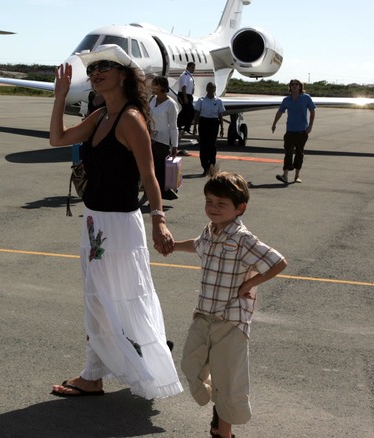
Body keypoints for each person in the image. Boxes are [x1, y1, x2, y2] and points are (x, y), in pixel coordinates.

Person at [48, 44, 182, 399]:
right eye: (92, 69)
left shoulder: (131, 118)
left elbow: (150, 176)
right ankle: (95, 372)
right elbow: (57, 138)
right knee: (97, 299)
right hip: (94, 222)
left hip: (120, 226)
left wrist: (159, 220)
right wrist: (60, 96)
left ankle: (140, 357)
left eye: (104, 67)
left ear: (123, 74)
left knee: (121, 298)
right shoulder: (100, 116)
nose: (95, 73)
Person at [169, 172, 288, 438]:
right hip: (203, 315)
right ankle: (217, 400)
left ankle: (223, 431)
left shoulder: (243, 239)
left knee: (228, 380)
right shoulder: (209, 231)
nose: (212, 208)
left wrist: (250, 284)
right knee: (190, 365)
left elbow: (278, 262)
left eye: (221, 204)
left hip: (230, 321)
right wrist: (174, 246)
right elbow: (198, 245)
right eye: (209, 201)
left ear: (239, 208)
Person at [271, 79, 316, 184]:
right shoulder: (286, 100)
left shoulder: (306, 98)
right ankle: (285, 175)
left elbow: (312, 111)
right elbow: (280, 112)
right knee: (288, 153)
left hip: (302, 131)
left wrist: (310, 126)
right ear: (290, 87)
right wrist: (274, 124)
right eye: (292, 85)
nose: (294, 86)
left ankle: (297, 175)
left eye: (296, 84)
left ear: (300, 87)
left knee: (299, 153)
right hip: (290, 131)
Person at [149, 75, 180, 202]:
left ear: (161, 87)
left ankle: (162, 194)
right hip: (151, 138)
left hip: (162, 140)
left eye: (154, 85)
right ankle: (152, 194)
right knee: (151, 169)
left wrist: (175, 145)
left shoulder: (171, 104)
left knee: (160, 170)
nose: (152, 87)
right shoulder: (152, 100)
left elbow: (173, 126)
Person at [193, 82, 226, 177]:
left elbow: (220, 115)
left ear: (215, 89)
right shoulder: (201, 100)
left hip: (214, 123)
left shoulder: (219, 101)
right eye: (209, 87)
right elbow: (197, 114)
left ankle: (212, 167)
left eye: (212, 87)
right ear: (206, 89)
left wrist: (222, 128)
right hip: (204, 123)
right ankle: (205, 167)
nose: (211, 89)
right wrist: (195, 126)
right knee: (203, 146)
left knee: (212, 146)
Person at [176, 62, 196, 156]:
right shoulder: (184, 75)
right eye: (192, 67)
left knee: (185, 111)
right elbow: (183, 87)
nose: (193, 69)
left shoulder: (190, 75)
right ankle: (186, 127)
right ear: (187, 67)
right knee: (191, 111)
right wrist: (185, 97)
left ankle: (179, 125)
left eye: (194, 67)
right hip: (184, 95)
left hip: (189, 95)